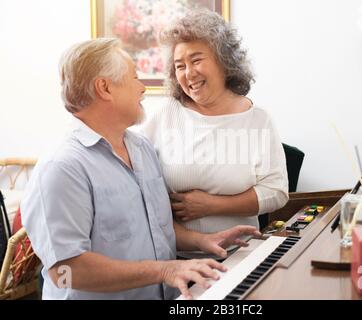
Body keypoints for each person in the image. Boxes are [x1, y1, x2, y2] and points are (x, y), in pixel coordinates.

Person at [20, 38, 260, 300]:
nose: (142, 88)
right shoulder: (61, 168)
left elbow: (153, 228)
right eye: (134, 77)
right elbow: (63, 273)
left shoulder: (142, 148)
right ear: (105, 88)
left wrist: (203, 241)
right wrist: (164, 270)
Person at [141, 10, 288, 254]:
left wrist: (212, 205)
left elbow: (277, 192)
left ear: (224, 60)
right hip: (177, 259)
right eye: (180, 66)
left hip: (239, 255)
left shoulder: (258, 120)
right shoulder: (166, 115)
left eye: (196, 60)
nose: (189, 73)